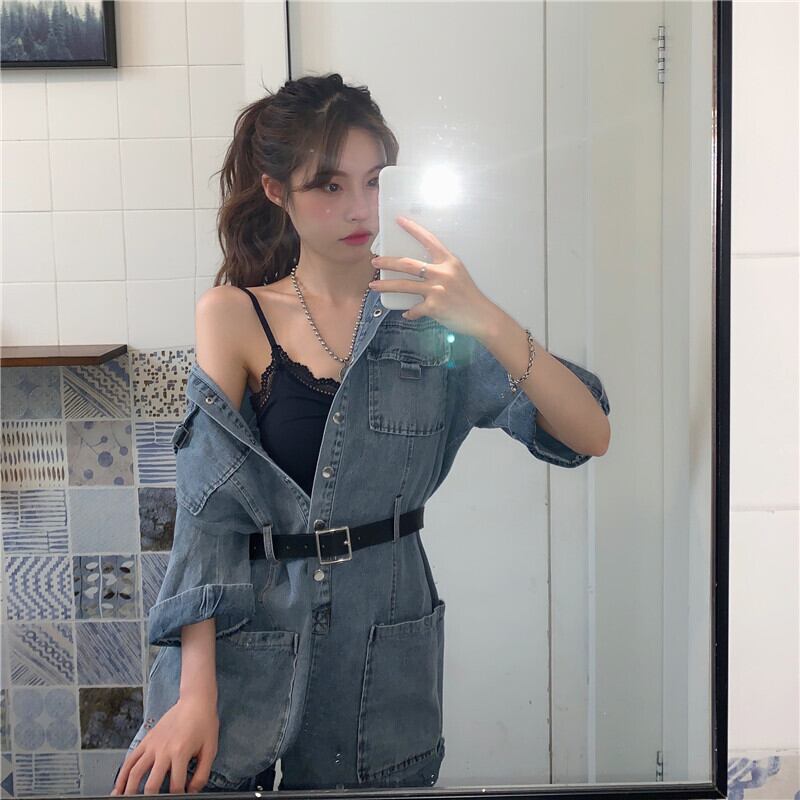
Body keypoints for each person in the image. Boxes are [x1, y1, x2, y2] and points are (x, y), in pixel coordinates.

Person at [110, 72, 611, 796]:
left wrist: (486, 317)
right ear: (277, 191)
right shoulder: (233, 314)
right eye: (330, 185)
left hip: (381, 661)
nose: (360, 209)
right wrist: (194, 695)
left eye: (373, 182)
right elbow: (208, 515)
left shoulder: (430, 326)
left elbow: (589, 432)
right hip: (241, 655)